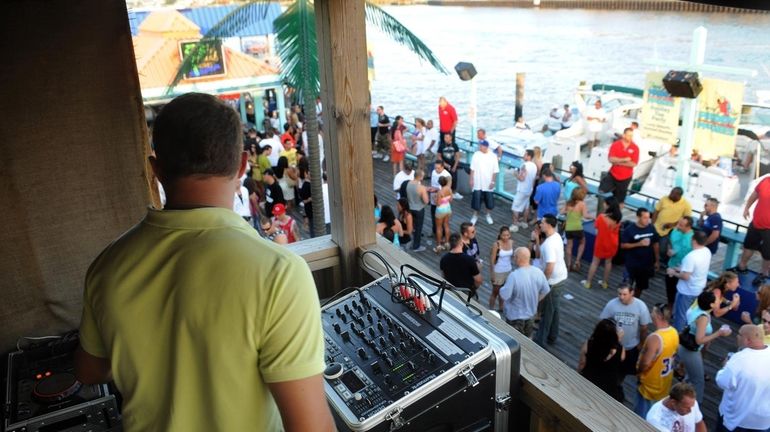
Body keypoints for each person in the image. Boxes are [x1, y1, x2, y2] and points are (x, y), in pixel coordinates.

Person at [74, 93, 333, 432]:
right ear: (241, 165)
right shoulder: (279, 274)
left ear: (155, 170)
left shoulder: (106, 265)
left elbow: (89, 370)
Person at [677, 291, 732, 406]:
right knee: (698, 381)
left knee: (690, 378)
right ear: (711, 305)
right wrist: (719, 333)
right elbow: (699, 340)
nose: (719, 301)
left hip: (686, 348)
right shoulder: (703, 318)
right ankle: (694, 406)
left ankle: (680, 398)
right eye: (717, 300)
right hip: (691, 351)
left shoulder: (699, 309)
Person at [715, 324, 770, 432]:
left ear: (748, 340)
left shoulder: (738, 359)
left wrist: (725, 366)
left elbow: (721, 381)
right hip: (763, 422)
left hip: (737, 420)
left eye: (739, 334)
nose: (737, 336)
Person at [635, 303, 678, 418]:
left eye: (653, 312)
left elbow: (645, 363)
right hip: (664, 383)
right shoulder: (674, 332)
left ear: (659, 316)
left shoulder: (655, 338)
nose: (651, 314)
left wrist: (638, 373)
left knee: (641, 417)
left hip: (650, 386)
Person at [600, 284, 652, 378]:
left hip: (631, 347)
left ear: (632, 293)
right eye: (619, 294)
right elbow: (603, 323)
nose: (621, 297)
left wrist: (641, 344)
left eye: (624, 294)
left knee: (627, 371)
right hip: (614, 346)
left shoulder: (641, 306)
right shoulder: (612, 304)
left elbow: (644, 328)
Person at [728, 175, 770, 286]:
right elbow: (754, 195)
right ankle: (742, 267)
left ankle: (763, 274)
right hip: (756, 223)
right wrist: (747, 208)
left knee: (767, 254)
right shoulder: (765, 181)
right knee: (748, 246)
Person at [534, 215, 569, 347]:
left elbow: (549, 266)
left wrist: (543, 285)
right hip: (561, 277)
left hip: (553, 281)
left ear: (548, 225)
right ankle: (553, 335)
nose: (540, 225)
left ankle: (540, 341)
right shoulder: (557, 236)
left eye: (542, 223)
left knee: (547, 313)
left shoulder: (548, 244)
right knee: (555, 308)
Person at [499, 247, 550, 337]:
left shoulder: (514, 276)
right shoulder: (538, 272)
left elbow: (505, 295)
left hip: (515, 316)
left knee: (513, 340)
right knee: (528, 339)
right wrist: (536, 300)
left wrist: (501, 288)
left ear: (518, 258)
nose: (513, 258)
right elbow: (546, 290)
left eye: (514, 256)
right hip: (530, 315)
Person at [668, 232, 712, 331]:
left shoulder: (691, 257)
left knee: (680, 316)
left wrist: (673, 272)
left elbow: (685, 276)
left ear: (694, 241)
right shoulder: (707, 251)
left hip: (686, 291)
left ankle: (678, 336)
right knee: (691, 313)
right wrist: (681, 268)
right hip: (698, 289)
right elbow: (696, 270)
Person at [578, 319, 625, 402]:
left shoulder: (588, 344)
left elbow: (582, 364)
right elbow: (622, 358)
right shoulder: (619, 349)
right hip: (608, 386)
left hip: (589, 380)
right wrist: (617, 340)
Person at [621, 207, 659, 298]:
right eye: (645, 217)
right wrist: (639, 244)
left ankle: (635, 300)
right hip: (632, 264)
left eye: (649, 217)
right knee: (627, 285)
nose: (647, 220)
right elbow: (623, 245)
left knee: (640, 286)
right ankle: (625, 300)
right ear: (638, 217)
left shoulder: (651, 227)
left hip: (646, 264)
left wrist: (657, 260)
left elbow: (655, 243)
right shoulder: (630, 230)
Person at [581, 205, 622, 290]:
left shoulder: (601, 217)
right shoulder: (618, 219)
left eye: (605, 204)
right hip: (613, 243)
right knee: (608, 262)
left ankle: (588, 282)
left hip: (601, 243)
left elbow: (596, 227)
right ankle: (604, 283)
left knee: (595, 262)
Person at [599, 127, 639, 207]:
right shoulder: (615, 145)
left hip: (625, 177)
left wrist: (617, 162)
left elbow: (633, 163)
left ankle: (617, 215)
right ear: (624, 135)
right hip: (613, 174)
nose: (630, 137)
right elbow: (610, 159)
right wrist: (624, 160)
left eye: (632, 136)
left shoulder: (635, 148)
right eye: (629, 135)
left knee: (620, 200)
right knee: (602, 190)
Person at [653, 187, 692, 263]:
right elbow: (656, 211)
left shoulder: (686, 205)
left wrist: (672, 224)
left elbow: (687, 220)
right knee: (652, 245)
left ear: (678, 196)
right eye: (671, 192)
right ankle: (654, 260)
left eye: (672, 194)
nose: (670, 195)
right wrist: (652, 224)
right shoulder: (664, 198)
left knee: (663, 249)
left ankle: (663, 262)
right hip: (656, 228)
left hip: (670, 231)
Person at [440, 233, 481, 302]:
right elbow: (478, 280)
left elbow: (443, 275)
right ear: (461, 243)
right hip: (467, 292)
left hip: (451, 291)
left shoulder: (444, 258)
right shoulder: (469, 260)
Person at [664, 217, 694, 308]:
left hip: (685, 270)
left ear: (688, 227)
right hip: (672, 266)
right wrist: (669, 249)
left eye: (681, 225)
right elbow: (669, 242)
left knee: (681, 293)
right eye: (678, 223)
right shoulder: (675, 231)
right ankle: (670, 307)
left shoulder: (693, 238)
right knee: (670, 290)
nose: (678, 226)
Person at [469, 139, 499, 225]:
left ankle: (488, 215)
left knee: (489, 201)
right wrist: (471, 179)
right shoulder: (476, 154)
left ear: (486, 147)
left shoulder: (493, 156)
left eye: (481, 145)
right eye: (479, 145)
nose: (479, 147)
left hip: (488, 182)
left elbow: (495, 170)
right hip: (477, 182)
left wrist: (493, 182)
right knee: (476, 200)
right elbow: (472, 168)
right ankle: (475, 215)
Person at [562, 188, 593, 272]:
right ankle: (577, 261)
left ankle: (568, 264)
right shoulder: (582, 204)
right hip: (578, 227)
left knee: (569, 246)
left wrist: (567, 212)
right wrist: (594, 217)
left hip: (568, 228)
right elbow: (585, 216)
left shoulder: (568, 202)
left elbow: (561, 212)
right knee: (582, 242)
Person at [510, 149, 537, 232]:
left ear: (529, 156)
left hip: (522, 189)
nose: (523, 156)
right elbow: (533, 179)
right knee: (526, 206)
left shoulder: (524, 165)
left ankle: (515, 225)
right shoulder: (534, 166)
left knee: (515, 207)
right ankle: (524, 223)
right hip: (529, 189)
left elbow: (521, 178)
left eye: (525, 154)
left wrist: (515, 174)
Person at [489, 226, 515, 310]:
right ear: (500, 235)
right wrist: (492, 274)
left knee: (504, 291)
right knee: (495, 292)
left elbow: (511, 256)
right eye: (504, 235)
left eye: (507, 235)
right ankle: (491, 309)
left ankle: (501, 307)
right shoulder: (496, 244)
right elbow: (492, 260)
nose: (506, 237)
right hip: (498, 271)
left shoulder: (511, 242)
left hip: (508, 270)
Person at [406, 170, 429, 252]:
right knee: (418, 228)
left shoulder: (408, 183)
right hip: (419, 209)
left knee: (412, 226)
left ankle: (411, 241)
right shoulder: (421, 188)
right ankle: (416, 246)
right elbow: (426, 201)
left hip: (410, 207)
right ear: (420, 177)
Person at [430, 159, 452, 239]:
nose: (436, 170)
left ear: (443, 167)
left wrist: (436, 190)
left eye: (438, 168)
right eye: (435, 168)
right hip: (433, 198)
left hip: (441, 203)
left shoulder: (447, 176)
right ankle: (434, 232)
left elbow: (447, 190)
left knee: (443, 223)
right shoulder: (433, 172)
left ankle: (441, 237)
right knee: (433, 216)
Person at [437, 133, 461, 199]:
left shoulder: (455, 145)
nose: (445, 139)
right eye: (444, 138)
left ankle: (454, 192)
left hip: (453, 164)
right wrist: (444, 164)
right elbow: (439, 155)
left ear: (451, 138)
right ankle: (444, 192)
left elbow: (458, 156)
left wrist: (455, 166)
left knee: (454, 179)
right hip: (444, 165)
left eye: (447, 138)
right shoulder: (441, 145)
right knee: (444, 179)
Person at [433, 176, 453, 253]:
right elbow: (451, 199)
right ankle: (447, 243)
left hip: (440, 210)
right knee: (446, 225)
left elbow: (438, 204)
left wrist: (435, 199)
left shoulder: (440, 192)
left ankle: (438, 246)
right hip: (448, 208)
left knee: (439, 227)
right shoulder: (449, 189)